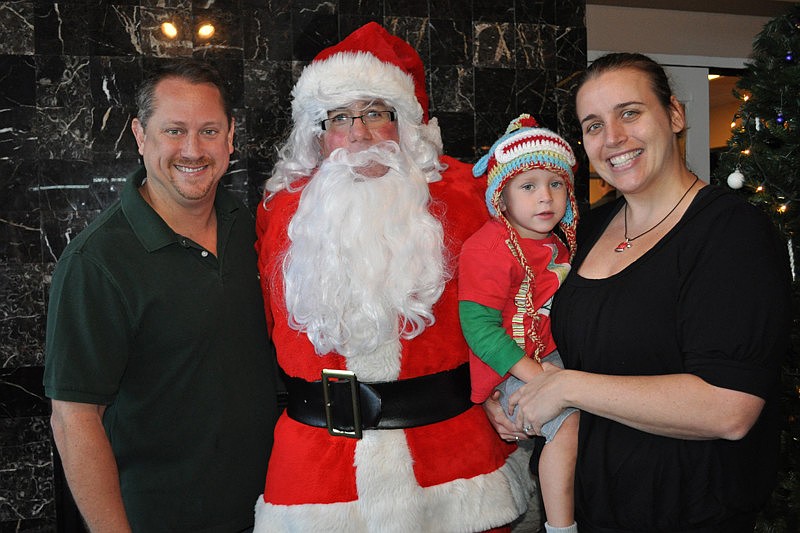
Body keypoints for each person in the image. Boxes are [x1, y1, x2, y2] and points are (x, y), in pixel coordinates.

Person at [254, 22, 532, 532]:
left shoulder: (466, 197)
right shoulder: (282, 210)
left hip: (453, 459)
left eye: (375, 113)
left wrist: (510, 389)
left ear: (405, 123)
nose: (358, 134)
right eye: (340, 118)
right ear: (319, 137)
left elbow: (519, 302)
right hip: (318, 470)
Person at [504, 52, 792, 532]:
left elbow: (730, 407)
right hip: (581, 512)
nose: (612, 138)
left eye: (630, 112)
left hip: (687, 514)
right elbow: (539, 334)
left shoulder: (732, 233)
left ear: (675, 115)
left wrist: (566, 387)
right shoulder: (582, 230)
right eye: (593, 125)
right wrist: (511, 401)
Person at [43, 59, 278, 532]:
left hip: (272, 513)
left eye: (209, 131)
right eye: (174, 130)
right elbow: (73, 420)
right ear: (140, 135)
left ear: (231, 137)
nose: (192, 149)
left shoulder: (256, 230)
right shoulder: (96, 261)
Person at [459, 113, 580, 533]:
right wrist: (540, 378)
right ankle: (562, 527)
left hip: (549, 358)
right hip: (512, 366)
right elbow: (478, 329)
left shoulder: (556, 244)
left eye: (556, 184)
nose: (545, 197)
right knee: (569, 426)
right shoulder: (489, 247)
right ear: (502, 197)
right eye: (528, 186)